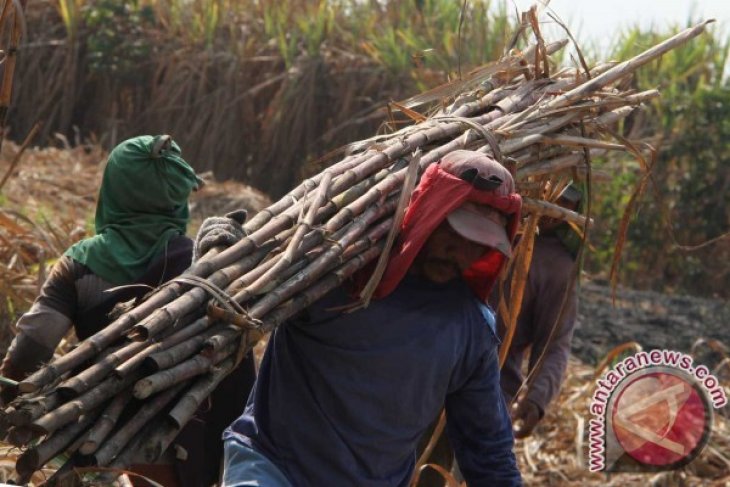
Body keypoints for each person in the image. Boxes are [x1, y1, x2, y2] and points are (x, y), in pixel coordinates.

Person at [199, 150, 524, 486]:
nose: (461, 252)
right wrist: (219, 260)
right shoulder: (333, 272)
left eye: (477, 244)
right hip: (274, 467)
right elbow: (232, 304)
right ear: (429, 213)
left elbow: (487, 448)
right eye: (453, 233)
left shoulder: (469, 328)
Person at [0, 135, 256, 487]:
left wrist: (10, 400)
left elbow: (35, 344)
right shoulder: (202, 267)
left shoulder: (81, 265)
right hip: (174, 439)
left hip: (94, 436)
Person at [493, 184, 582, 439]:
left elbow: (554, 343)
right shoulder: (488, 226)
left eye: (567, 201)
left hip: (494, 387)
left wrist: (536, 397)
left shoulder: (559, 268)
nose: (556, 205)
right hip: (434, 372)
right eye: (552, 192)